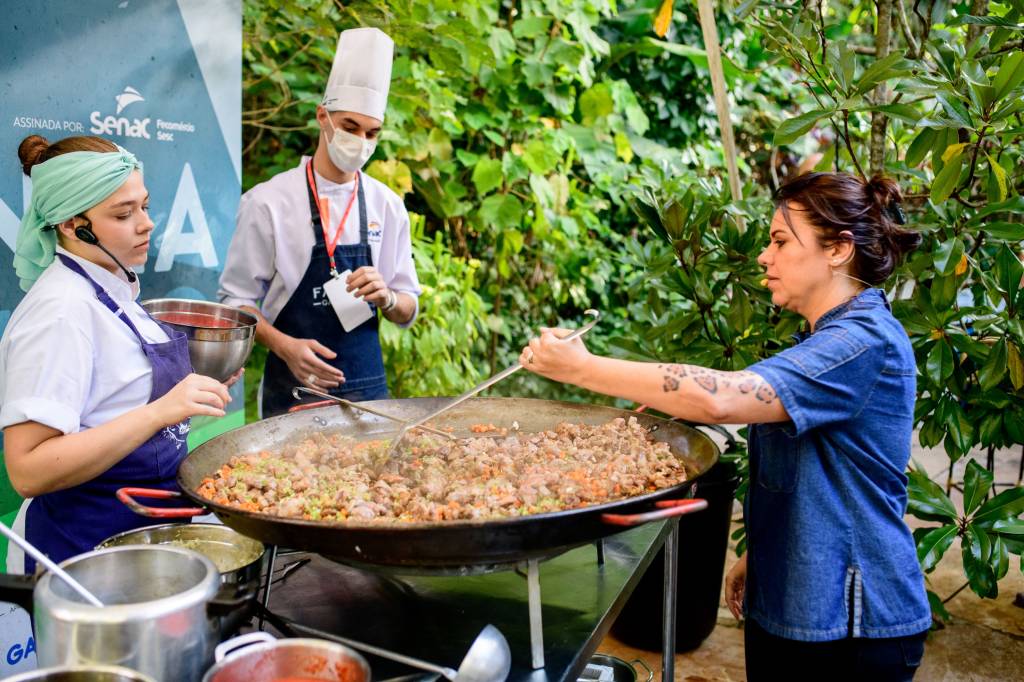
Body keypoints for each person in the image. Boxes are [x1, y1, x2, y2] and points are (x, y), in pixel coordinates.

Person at [521, 172, 931, 680]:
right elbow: (816, 473)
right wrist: (761, 555)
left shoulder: (862, 342)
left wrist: (584, 369)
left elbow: (721, 398)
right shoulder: (822, 341)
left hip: (852, 626)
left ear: (838, 249)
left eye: (780, 241)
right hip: (791, 602)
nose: (764, 256)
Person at [0, 135, 234, 573]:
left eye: (144, 206)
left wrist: (191, 394)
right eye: (124, 214)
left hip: (143, 536)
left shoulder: (111, 287)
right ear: (72, 224)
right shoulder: (60, 313)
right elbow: (28, 469)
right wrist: (160, 410)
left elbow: (114, 401)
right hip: (83, 555)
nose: (146, 224)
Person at [219, 27, 420, 417]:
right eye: (350, 127)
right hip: (292, 391)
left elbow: (408, 309)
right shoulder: (268, 202)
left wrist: (388, 298)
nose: (361, 141)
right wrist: (284, 346)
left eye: (372, 133)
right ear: (322, 117)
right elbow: (235, 303)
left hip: (368, 393)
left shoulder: (388, 205)